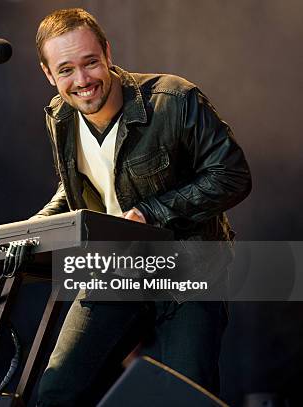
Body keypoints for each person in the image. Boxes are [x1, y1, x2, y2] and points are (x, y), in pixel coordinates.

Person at [32, 8, 252, 407]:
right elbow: (78, 186)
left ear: (108, 53)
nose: (82, 81)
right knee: (56, 394)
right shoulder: (60, 116)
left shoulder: (174, 98)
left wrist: (150, 213)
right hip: (117, 270)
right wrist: (29, 231)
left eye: (90, 63)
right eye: (65, 70)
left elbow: (232, 175)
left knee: (187, 399)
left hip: (189, 269)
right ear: (48, 74)